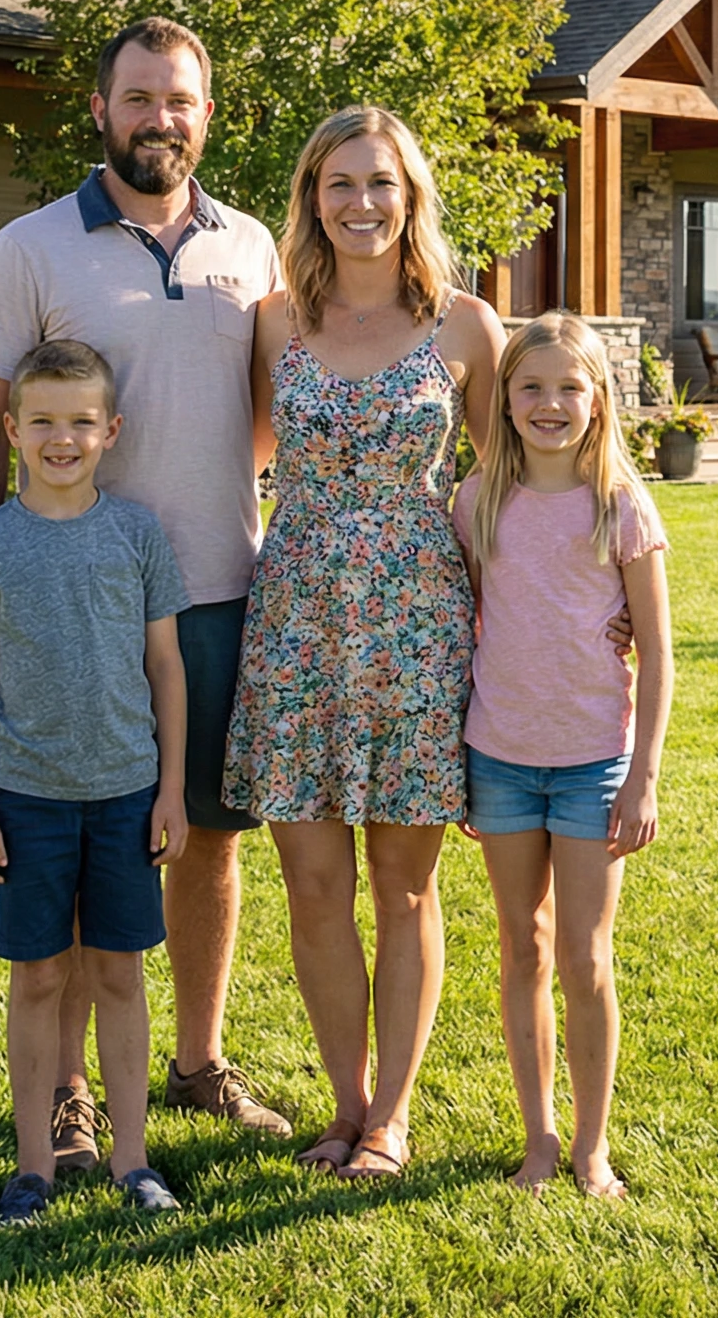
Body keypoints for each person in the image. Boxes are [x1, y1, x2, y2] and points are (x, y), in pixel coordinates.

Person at [0, 16, 293, 1171]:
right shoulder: (30, 247)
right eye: (139, 97)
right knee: (88, 834)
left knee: (203, 838)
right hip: (65, 610)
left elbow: (261, 409)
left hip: (218, 591)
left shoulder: (251, 247)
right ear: (100, 109)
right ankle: (67, 1093)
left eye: (180, 99)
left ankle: (196, 1062)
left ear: (207, 110)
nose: (161, 118)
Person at [222, 107, 505, 1180]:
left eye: (380, 183)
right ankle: (341, 1105)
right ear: (310, 198)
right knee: (308, 880)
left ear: (411, 195)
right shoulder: (272, 323)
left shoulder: (468, 327)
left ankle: (390, 1117)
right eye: (338, 183)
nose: (360, 203)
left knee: (403, 886)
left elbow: (507, 490)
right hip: (294, 627)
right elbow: (240, 460)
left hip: (419, 632)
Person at [0, 339, 191, 1223]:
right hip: (26, 798)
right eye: (43, 421)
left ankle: (134, 1161)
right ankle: (34, 1166)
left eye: (81, 421)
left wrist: (170, 790)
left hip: (126, 793)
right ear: (11, 430)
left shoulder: (136, 535)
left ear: (111, 430)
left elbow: (167, 668)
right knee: (40, 979)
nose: (62, 438)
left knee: (119, 975)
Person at [451, 312, 675, 1202]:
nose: (549, 404)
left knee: (586, 958)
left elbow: (657, 649)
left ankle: (592, 1147)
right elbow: (472, 619)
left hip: (592, 765)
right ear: (502, 400)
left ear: (599, 399)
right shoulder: (477, 502)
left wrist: (643, 777)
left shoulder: (621, 504)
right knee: (522, 948)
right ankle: (538, 1137)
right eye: (530, 387)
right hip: (500, 757)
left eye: (568, 388)